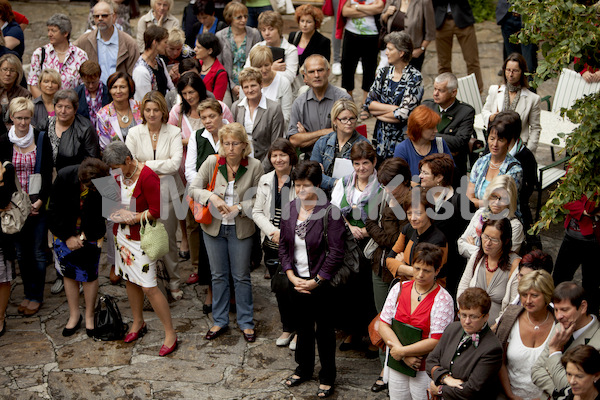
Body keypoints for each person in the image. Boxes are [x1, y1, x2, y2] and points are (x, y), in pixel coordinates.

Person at [189, 123, 263, 343]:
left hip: (241, 228)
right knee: (218, 275)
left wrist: (239, 207)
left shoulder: (254, 165)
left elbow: (260, 197)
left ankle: (246, 322)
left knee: (241, 276)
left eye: (235, 143)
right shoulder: (213, 162)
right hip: (213, 228)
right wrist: (212, 197)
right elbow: (193, 188)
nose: (230, 148)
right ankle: (219, 320)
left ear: (244, 145)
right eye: (226, 143)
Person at [103, 141, 178, 356]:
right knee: (129, 279)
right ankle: (138, 322)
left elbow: (157, 210)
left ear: (128, 160)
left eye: (116, 166)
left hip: (141, 238)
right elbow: (109, 204)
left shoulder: (147, 176)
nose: (113, 171)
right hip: (122, 237)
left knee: (149, 287)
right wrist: (114, 213)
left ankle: (170, 333)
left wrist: (134, 217)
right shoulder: (116, 175)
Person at [279, 160, 345, 398]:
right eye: (297, 185)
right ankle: (303, 369)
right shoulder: (290, 209)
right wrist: (290, 276)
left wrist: (317, 280)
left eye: (306, 185)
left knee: (325, 331)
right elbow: (284, 247)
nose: (301, 191)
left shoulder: (330, 212)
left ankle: (327, 376)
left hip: (322, 283)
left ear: (317, 185)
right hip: (296, 280)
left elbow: (337, 252)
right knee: (302, 327)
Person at [126, 90, 183, 300]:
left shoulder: (174, 132)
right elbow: (129, 164)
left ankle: (174, 281)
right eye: (148, 110)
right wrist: (152, 167)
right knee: (142, 238)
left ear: (163, 111)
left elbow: (175, 164)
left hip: (168, 192)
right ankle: (146, 280)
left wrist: (144, 165)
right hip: (141, 193)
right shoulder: (134, 133)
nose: (151, 114)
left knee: (167, 240)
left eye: (156, 110)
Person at [379, 243, 454, 400]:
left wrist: (403, 352)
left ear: (437, 271)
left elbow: (437, 340)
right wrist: (401, 352)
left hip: (424, 367)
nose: (420, 275)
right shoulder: (399, 288)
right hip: (398, 362)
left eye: (426, 271)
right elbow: (384, 324)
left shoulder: (443, 299)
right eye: (417, 268)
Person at [0, 98, 52, 317]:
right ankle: (27, 293)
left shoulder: (41, 138)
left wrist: (40, 200)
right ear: (11, 117)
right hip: (15, 205)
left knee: (39, 251)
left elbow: (49, 173)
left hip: (37, 202)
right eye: (18, 118)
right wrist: (10, 203)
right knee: (22, 253)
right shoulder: (3, 141)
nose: (22, 122)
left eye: (26, 118)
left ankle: (36, 296)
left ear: (32, 118)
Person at [365, 156, 412, 392]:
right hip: (379, 264)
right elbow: (367, 217)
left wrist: (375, 231)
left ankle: (392, 368)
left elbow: (394, 238)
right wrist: (375, 230)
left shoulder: (412, 202)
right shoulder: (383, 194)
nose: (386, 188)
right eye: (383, 184)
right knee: (380, 316)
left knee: (397, 319)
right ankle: (385, 364)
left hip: (401, 272)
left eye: (390, 183)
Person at [47, 159, 108, 337]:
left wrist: (84, 236)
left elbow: (110, 211)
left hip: (91, 234)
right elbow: (52, 211)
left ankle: (89, 315)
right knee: (69, 274)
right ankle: (74, 315)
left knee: (90, 275)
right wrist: (68, 237)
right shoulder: (65, 175)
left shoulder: (105, 180)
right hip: (64, 233)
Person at [330, 141, 380, 356]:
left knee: (367, 291)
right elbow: (334, 211)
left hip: (372, 243)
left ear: (374, 162)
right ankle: (351, 331)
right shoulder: (344, 182)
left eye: (366, 163)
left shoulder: (382, 185)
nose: (361, 168)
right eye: (357, 163)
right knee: (348, 289)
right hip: (347, 242)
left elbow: (388, 218)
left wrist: (368, 232)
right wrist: (350, 227)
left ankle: (370, 335)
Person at [252, 138, 298, 347]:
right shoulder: (265, 180)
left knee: (296, 287)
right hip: (271, 242)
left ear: (291, 156)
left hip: (296, 243)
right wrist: (273, 232)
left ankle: (301, 329)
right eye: (274, 155)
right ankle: (287, 327)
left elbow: (308, 212)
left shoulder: (299, 178)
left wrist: (286, 234)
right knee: (279, 287)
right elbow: (257, 211)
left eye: (283, 155)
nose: (278, 159)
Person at [183, 98, 226, 310]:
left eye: (212, 116)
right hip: (206, 198)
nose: (208, 121)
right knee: (208, 246)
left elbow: (247, 159)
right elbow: (189, 169)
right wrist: (207, 191)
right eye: (203, 118)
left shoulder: (232, 132)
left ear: (221, 115)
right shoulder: (197, 136)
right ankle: (210, 290)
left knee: (231, 245)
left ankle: (232, 292)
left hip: (230, 196)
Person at [426, 287, 503, 399]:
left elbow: (471, 390)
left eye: (473, 316)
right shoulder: (452, 329)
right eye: (463, 315)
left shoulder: (492, 348)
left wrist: (440, 389)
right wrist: (445, 378)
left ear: (486, 317)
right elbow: (431, 361)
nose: (467, 321)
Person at [493, 270, 556, 400]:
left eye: (534, 295)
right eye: (524, 294)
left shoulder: (559, 324)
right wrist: (510, 395)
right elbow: (500, 361)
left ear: (546, 295)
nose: (528, 300)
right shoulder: (510, 318)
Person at [532, 282, 600, 399]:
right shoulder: (560, 327)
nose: (558, 316)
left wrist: (554, 351)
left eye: (564, 310)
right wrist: (559, 391)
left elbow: (573, 384)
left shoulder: (597, 342)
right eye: (556, 310)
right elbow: (536, 371)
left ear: (583, 307)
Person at [365, 32, 424, 161]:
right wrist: (395, 108)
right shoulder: (383, 73)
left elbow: (403, 114)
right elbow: (369, 104)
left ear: (401, 52)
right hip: (380, 141)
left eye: (390, 49)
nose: (386, 52)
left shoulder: (414, 77)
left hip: (402, 142)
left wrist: (378, 115)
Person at [419, 153, 468, 298]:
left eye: (425, 173)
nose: (420, 176)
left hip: (450, 270)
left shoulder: (460, 203)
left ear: (439, 177)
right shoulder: (420, 196)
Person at [457, 218, 521, 324]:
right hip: (469, 324)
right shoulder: (477, 257)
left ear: (505, 241)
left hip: (496, 329)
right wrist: (465, 317)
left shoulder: (515, 265)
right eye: (485, 237)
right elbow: (463, 287)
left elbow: (512, 306)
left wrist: (495, 327)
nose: (487, 243)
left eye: (494, 240)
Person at [287, 55, 351, 158]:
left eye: (320, 70)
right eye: (312, 72)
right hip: (310, 160)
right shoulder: (299, 103)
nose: (316, 75)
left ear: (328, 72)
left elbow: (346, 133)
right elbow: (294, 141)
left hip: (339, 158)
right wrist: (328, 131)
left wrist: (306, 137)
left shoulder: (343, 99)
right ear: (305, 75)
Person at [481, 53, 542, 153]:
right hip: (496, 146)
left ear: (522, 72)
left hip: (518, 148)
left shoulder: (532, 99)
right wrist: (491, 117)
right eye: (508, 70)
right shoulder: (495, 91)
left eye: (515, 71)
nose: (511, 74)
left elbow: (535, 128)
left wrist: (529, 150)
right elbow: (485, 111)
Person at [552, 194, 600, 317]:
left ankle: (590, 324)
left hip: (594, 241)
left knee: (591, 286)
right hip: (571, 237)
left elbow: (591, 208)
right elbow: (564, 199)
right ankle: (554, 315)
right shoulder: (574, 174)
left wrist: (585, 210)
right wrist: (582, 211)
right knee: (558, 279)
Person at [458, 174, 525, 260]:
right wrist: (485, 252)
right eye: (494, 196)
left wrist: (474, 249)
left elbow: (503, 259)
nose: (497, 202)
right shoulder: (480, 213)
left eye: (503, 199)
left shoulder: (515, 226)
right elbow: (461, 244)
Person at [386, 190, 448, 281]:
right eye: (409, 213)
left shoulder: (438, 240)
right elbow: (389, 260)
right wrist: (411, 270)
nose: (413, 218)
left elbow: (425, 277)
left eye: (418, 213)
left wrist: (402, 266)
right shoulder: (408, 229)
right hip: (406, 288)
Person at [310, 98, 370, 191]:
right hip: (323, 196)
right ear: (334, 121)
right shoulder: (323, 142)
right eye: (344, 119)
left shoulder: (364, 144)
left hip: (350, 196)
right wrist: (335, 182)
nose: (349, 123)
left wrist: (324, 178)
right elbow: (312, 175)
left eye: (352, 118)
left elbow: (364, 179)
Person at [422, 73, 475, 178]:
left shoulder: (465, 112)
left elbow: (459, 142)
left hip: (451, 169)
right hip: (425, 165)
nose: (435, 94)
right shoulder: (427, 106)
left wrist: (427, 135)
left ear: (453, 92)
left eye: (440, 90)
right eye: (435, 89)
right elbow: (411, 131)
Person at [231, 67, 285, 169]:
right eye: (246, 87)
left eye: (253, 85)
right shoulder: (236, 107)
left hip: (266, 163)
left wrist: (262, 169)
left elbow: (276, 143)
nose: (250, 90)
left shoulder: (274, 108)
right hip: (241, 163)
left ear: (261, 85)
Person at [74, 1, 139, 86]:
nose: (100, 18)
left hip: (118, 93)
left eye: (104, 15)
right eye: (96, 16)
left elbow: (133, 74)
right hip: (94, 93)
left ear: (114, 17)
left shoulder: (129, 43)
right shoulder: (84, 41)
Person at [467, 111, 523, 209]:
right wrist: (487, 203)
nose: (495, 144)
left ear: (508, 142)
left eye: (500, 140)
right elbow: (469, 198)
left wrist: (480, 203)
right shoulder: (481, 162)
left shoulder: (514, 170)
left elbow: (502, 205)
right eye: (492, 139)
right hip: (478, 216)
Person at [27, 14, 89, 98]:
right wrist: (47, 106)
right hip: (45, 107)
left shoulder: (80, 55)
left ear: (65, 33)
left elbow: (84, 85)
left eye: (53, 31)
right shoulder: (40, 53)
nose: (49, 34)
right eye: (48, 30)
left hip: (71, 107)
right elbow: (33, 84)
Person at [432, 0, 484, 92]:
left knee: (472, 60)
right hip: (441, 20)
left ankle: (476, 93)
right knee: (443, 63)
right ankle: (445, 94)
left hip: (463, 18)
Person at [216, 1, 262, 103]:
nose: (243, 20)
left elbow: (259, 60)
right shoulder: (220, 36)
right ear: (230, 18)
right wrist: (233, 86)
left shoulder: (254, 34)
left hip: (251, 82)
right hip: (227, 83)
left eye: (245, 16)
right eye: (239, 17)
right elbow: (219, 64)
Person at [340, 0, 384, 105]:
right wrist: (369, 10)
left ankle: (366, 102)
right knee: (347, 67)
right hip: (351, 34)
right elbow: (345, 12)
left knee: (369, 68)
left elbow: (379, 8)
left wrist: (356, 7)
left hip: (372, 35)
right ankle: (348, 99)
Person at [46, 89, 100, 172]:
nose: (63, 111)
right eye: (59, 106)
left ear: (75, 109)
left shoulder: (85, 128)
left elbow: (92, 161)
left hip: (75, 176)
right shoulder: (45, 124)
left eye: (68, 107)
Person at [393, 105, 453, 178]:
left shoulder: (440, 143)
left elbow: (452, 172)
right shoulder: (402, 149)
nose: (436, 131)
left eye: (435, 127)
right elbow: (401, 181)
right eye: (431, 128)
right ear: (418, 129)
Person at [379, 0, 436, 72]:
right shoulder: (393, 1)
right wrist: (387, 13)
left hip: (413, 54)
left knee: (410, 81)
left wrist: (421, 49)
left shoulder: (424, 2)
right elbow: (383, 21)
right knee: (393, 79)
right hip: (394, 53)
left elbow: (430, 31)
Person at [245, 11, 299, 86]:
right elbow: (247, 72)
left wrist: (263, 72)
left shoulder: (290, 49)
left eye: (271, 29)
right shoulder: (257, 47)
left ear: (279, 29)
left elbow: (289, 77)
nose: (267, 33)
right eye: (263, 30)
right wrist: (271, 69)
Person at [247, 46, 293, 126]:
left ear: (272, 63)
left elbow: (286, 117)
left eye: (266, 65)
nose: (264, 70)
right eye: (259, 66)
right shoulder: (246, 83)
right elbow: (243, 112)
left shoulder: (283, 82)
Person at [97, 72, 143, 150]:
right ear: (110, 90)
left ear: (130, 88)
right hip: (116, 160)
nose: (118, 91)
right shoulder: (103, 115)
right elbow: (105, 147)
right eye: (114, 87)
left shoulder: (140, 107)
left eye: (122, 87)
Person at [288, 5, 331, 87]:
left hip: (311, 83)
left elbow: (324, 66)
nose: (304, 25)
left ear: (315, 23)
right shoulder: (293, 36)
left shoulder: (323, 41)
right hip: (293, 80)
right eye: (302, 21)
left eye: (309, 22)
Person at [132, 25, 175, 103]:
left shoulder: (160, 62)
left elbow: (171, 87)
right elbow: (145, 100)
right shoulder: (141, 70)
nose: (166, 45)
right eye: (165, 42)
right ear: (155, 43)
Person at [495, 0, 537, 76]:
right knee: (512, 62)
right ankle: (512, 87)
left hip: (528, 17)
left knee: (528, 63)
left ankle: (529, 87)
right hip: (507, 15)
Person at [0, 160, 17, 336]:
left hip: (1, 233)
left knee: (2, 277)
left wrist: (0, 179)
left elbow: (5, 200)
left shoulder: (6, 169)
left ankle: (0, 317)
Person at [74, 61, 110, 129]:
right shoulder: (76, 93)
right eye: (87, 83)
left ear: (99, 77)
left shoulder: (109, 93)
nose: (91, 86)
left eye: (94, 82)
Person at [195, 33, 228, 101]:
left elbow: (217, 100)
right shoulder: (196, 65)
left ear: (210, 50)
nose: (195, 49)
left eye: (198, 47)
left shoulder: (221, 73)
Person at [0, 54, 31, 121]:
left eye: (12, 70)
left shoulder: (24, 94)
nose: (8, 73)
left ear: (18, 74)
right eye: (4, 69)